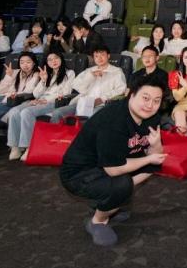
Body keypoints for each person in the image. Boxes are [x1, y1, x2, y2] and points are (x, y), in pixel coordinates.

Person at [60, 75, 167, 247]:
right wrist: (149, 158)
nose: (150, 105)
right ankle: (98, 221)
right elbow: (114, 170)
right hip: (79, 174)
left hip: (110, 162)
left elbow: (157, 156)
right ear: (131, 94)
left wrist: (156, 145)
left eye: (156, 101)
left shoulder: (151, 116)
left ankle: (112, 201)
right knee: (122, 184)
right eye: (145, 98)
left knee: (152, 166)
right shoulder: (113, 120)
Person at [6, 51, 76, 161]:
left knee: (26, 112)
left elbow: (66, 92)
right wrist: (43, 80)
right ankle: (15, 146)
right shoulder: (46, 73)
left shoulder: (70, 73)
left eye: (56, 58)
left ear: (61, 59)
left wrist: (45, 100)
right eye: (50, 60)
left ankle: (29, 146)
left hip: (53, 102)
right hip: (39, 100)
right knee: (14, 111)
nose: (53, 61)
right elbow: (36, 94)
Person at [49, 46, 127, 123]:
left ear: (108, 56)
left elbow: (121, 90)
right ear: (93, 58)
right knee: (57, 113)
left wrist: (102, 99)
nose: (99, 58)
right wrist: (91, 76)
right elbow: (76, 85)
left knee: (90, 119)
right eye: (96, 56)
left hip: (102, 105)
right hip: (82, 103)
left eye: (102, 55)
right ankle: (55, 131)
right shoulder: (89, 71)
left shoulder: (116, 72)